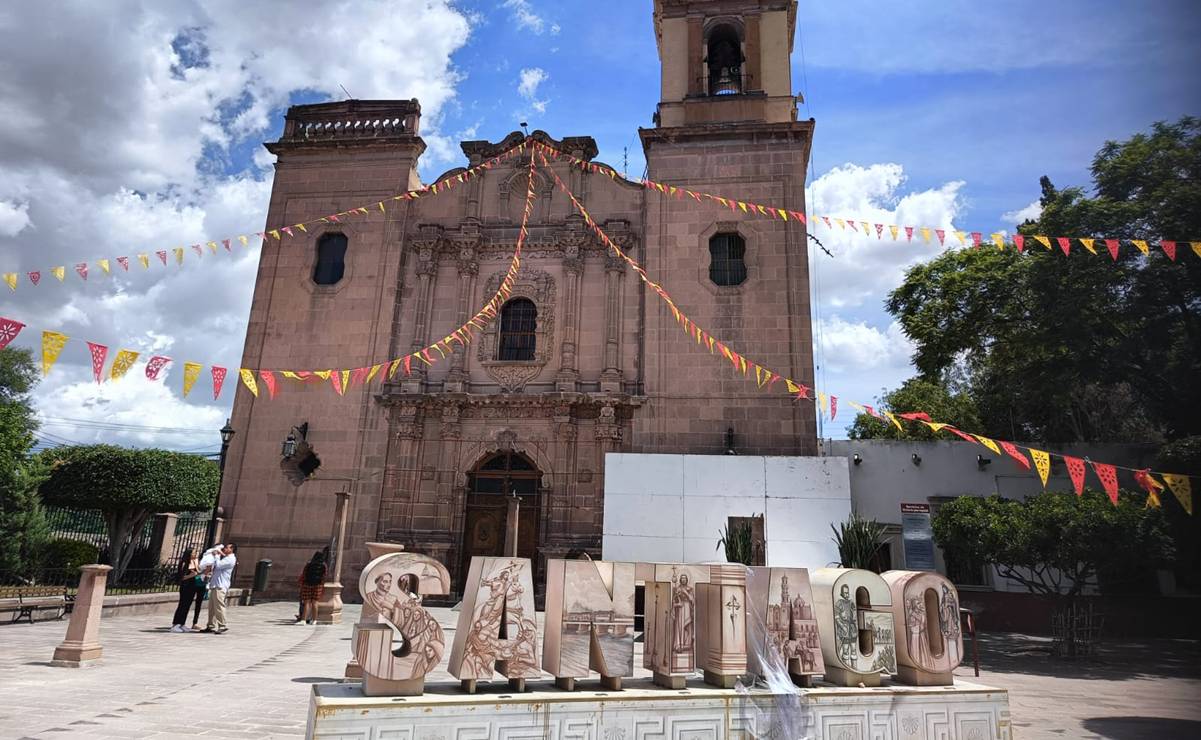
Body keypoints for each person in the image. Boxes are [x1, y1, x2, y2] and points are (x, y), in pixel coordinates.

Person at [202, 543, 237, 633]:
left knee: (219, 606)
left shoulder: (230, 559)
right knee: (212, 607)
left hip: (221, 586)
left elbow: (219, 565)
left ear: (232, 549)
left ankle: (222, 625)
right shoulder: (226, 557)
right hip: (215, 584)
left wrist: (217, 555)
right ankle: (210, 625)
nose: (224, 549)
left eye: (227, 547)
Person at [170, 548, 203, 633]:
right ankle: (176, 624)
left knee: (187, 605)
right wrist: (191, 576)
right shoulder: (184, 563)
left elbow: (198, 572)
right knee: (182, 605)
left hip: (192, 586)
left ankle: (182, 623)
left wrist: (196, 566)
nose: (195, 554)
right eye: (194, 553)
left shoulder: (194, 562)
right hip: (185, 586)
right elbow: (181, 577)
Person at [297, 551, 326, 624]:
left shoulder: (309, 564)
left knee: (307, 602)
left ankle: (303, 620)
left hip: (307, 584)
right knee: (315, 602)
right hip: (318, 585)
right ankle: (314, 620)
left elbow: (304, 573)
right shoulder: (323, 565)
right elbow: (324, 576)